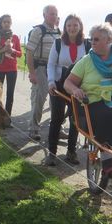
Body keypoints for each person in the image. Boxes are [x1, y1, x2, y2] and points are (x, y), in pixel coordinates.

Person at [63, 23, 112, 185]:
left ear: (109, 40)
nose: (93, 42)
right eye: (92, 39)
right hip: (95, 103)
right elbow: (68, 83)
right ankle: (108, 164)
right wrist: (75, 90)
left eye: (97, 39)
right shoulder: (86, 61)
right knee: (106, 116)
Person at [44, 14, 87, 166]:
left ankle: (71, 152)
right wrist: (50, 82)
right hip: (59, 85)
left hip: (77, 86)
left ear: (80, 26)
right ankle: (52, 153)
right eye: (69, 25)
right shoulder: (58, 43)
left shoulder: (86, 45)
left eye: (75, 25)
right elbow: (50, 64)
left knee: (75, 120)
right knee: (56, 118)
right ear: (65, 27)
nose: (72, 28)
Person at [26, 5, 61, 140]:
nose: (54, 16)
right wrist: (32, 73)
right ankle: (33, 129)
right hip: (40, 67)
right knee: (39, 98)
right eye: (51, 14)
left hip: (55, 69)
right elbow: (29, 52)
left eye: (55, 14)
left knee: (56, 100)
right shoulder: (38, 31)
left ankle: (57, 128)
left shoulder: (58, 31)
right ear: (44, 15)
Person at [0, 14, 22, 115]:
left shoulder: (15, 37)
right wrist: (2, 50)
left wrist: (12, 50)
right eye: (5, 22)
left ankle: (7, 117)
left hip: (12, 69)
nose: (7, 24)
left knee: (10, 94)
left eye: (8, 22)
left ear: (11, 23)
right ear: (1, 23)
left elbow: (20, 54)